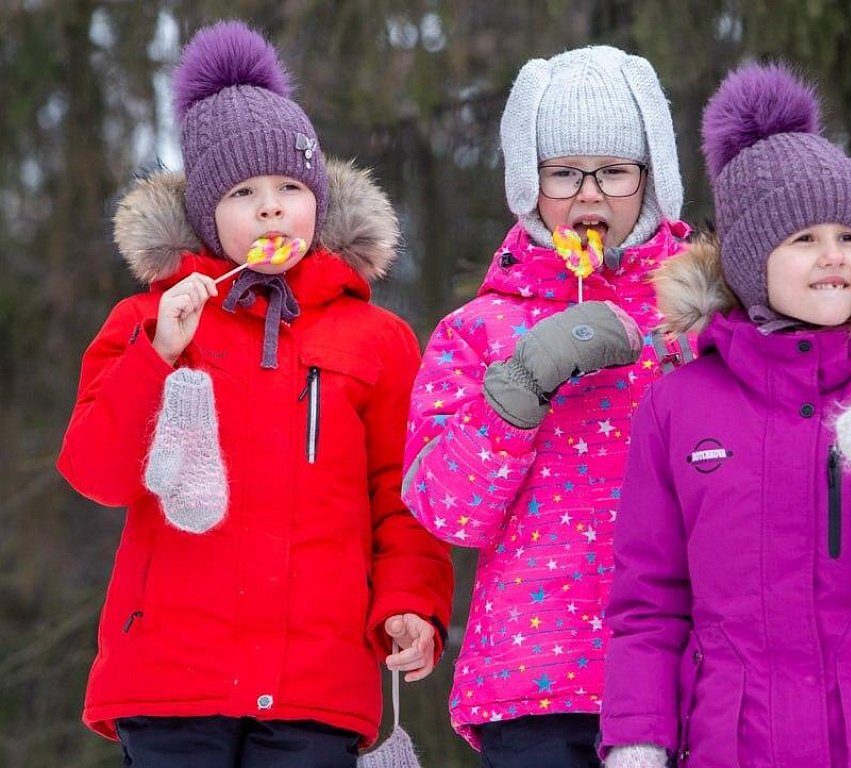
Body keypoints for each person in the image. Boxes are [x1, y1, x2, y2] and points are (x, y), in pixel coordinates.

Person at [57, 21, 453, 768]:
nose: (271, 209)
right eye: (243, 192)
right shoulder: (148, 320)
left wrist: (410, 601)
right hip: (170, 679)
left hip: (317, 682)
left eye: (289, 188)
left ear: (318, 200)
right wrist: (156, 356)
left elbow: (404, 491)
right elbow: (95, 473)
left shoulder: (378, 339)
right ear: (207, 211)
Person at [599, 62, 851, 768]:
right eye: (803, 239)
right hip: (737, 742)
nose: (833, 257)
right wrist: (637, 741)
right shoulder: (678, 405)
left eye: (849, 237)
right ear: (751, 262)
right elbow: (648, 603)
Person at [400, 46, 690, 768]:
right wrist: (519, 387)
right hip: (534, 679)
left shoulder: (700, 319)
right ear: (529, 184)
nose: (590, 197)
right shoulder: (479, 330)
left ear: (653, 179)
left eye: (614, 171)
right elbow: (444, 511)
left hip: (684, 672)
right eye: (564, 173)